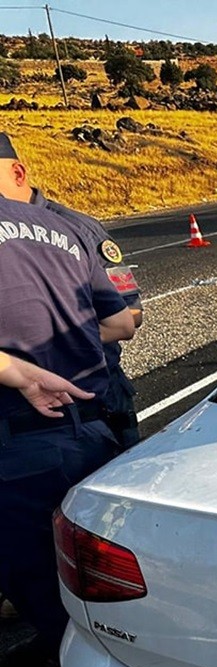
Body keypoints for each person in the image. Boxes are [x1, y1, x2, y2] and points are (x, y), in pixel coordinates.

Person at [1, 197, 135, 659]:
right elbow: (119, 321)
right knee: (106, 594)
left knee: (57, 617)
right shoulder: (64, 227)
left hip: (17, 452)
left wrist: (17, 370)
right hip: (92, 435)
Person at [0, 132, 144, 448]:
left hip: (95, 395)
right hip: (21, 407)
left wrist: (41, 349)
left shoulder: (79, 227)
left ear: (18, 174)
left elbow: (130, 314)